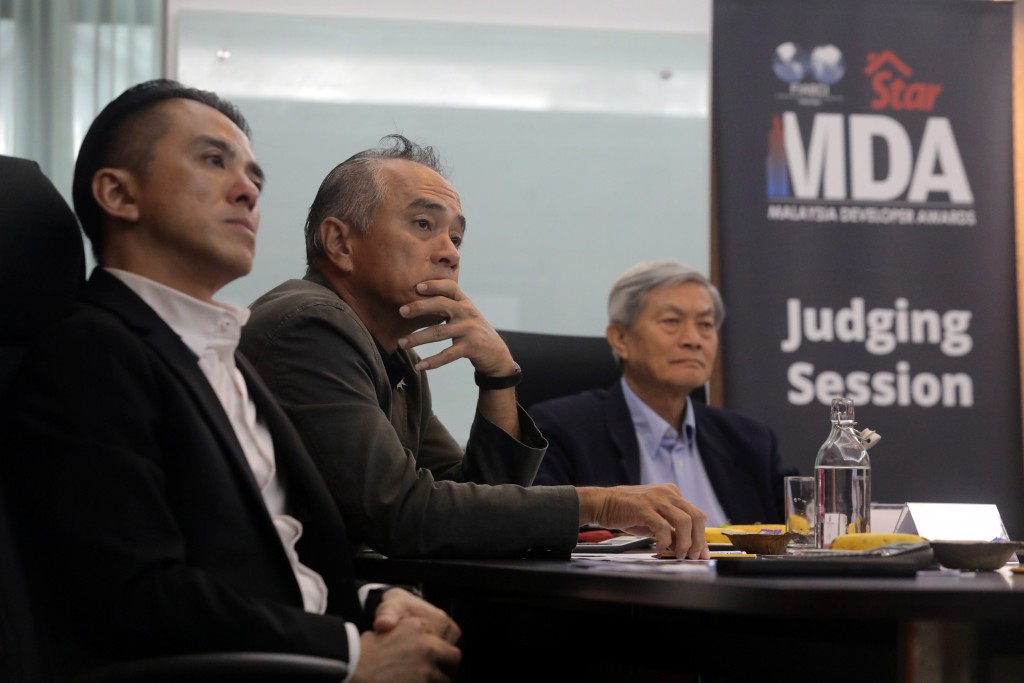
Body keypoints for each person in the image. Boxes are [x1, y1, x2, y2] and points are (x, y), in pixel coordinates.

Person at [3, 80, 461, 682]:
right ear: (119, 193)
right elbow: (138, 594)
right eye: (213, 161)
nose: (248, 190)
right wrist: (349, 653)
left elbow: (271, 565)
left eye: (254, 177)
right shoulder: (90, 354)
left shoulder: (224, 353)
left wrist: (373, 601)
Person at [239, 134, 709, 561]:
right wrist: (599, 503)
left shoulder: (396, 355)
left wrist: (498, 376)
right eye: (424, 224)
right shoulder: (311, 325)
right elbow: (404, 514)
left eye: (456, 237)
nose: (450, 252)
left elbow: (473, 508)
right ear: (340, 243)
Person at [531, 259, 787, 526]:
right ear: (620, 339)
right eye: (672, 321)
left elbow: (801, 526)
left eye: (705, 325)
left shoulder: (750, 440)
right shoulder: (563, 430)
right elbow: (541, 525)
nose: (693, 340)